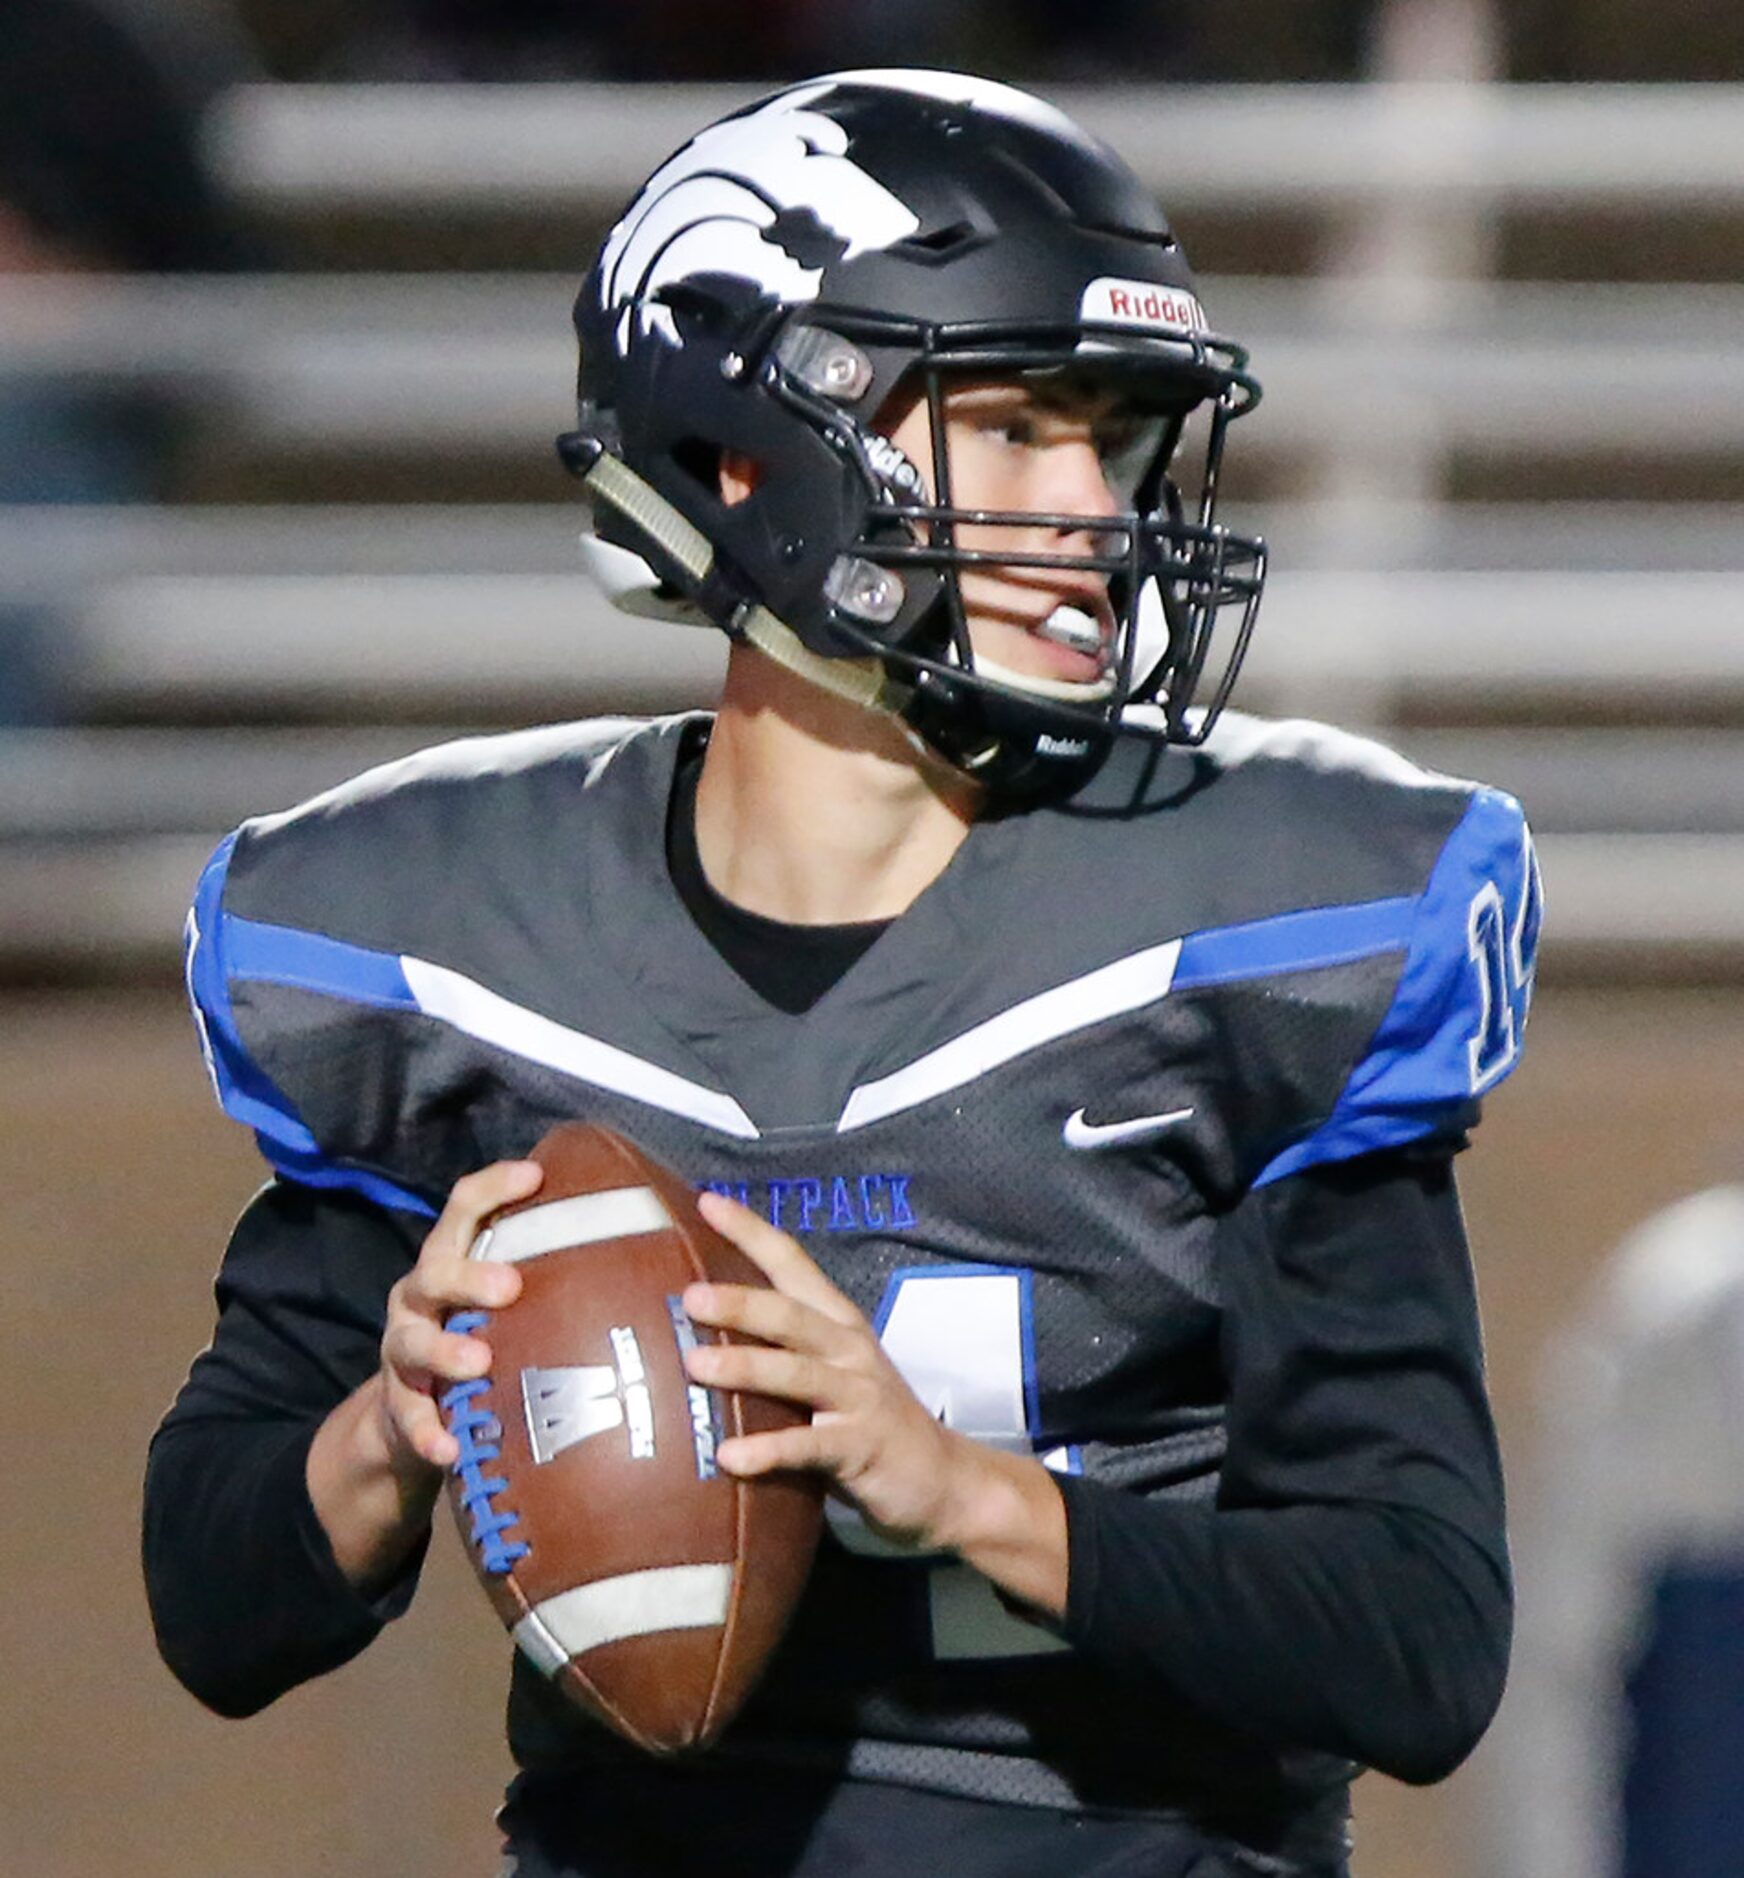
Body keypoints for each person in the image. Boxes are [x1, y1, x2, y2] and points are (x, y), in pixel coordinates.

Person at [145, 71, 1540, 1878]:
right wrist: (387, 1435)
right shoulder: (466, 940)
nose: (1096, 517)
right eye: (1019, 427)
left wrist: (959, 1487)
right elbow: (214, 1605)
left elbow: (1421, 1642)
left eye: (1111, 444)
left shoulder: (1255, 925)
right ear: (754, 459)